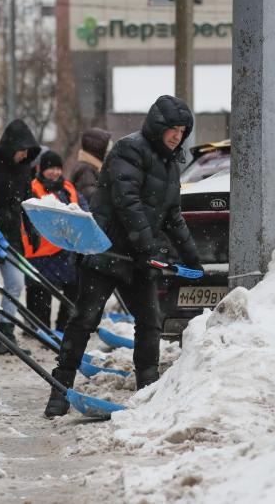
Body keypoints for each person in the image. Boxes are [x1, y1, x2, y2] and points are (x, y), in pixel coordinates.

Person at [43, 95, 202, 418]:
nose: (177, 136)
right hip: (107, 252)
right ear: (159, 126)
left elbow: (172, 216)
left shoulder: (172, 164)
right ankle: (59, 390)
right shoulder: (129, 150)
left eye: (182, 130)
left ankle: (148, 388)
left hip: (139, 259)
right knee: (84, 320)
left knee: (149, 322)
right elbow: (128, 203)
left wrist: (191, 257)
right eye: (172, 129)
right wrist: (147, 247)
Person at [0, 119, 41, 355]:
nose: (24, 155)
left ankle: (5, 333)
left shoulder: (25, 168)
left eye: (28, 151)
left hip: (13, 235)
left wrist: (31, 228)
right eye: (21, 150)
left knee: (15, 284)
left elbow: (27, 201)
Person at [23, 151, 88, 332]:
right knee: (41, 292)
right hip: (41, 252)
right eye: (51, 168)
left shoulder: (68, 187)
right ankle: (41, 329)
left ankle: (64, 327)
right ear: (42, 169)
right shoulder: (33, 188)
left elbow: (82, 209)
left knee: (73, 289)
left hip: (67, 250)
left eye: (58, 168)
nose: (55, 172)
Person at [70, 127, 111, 202]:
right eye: (107, 147)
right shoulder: (86, 169)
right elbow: (91, 196)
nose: (109, 151)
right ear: (99, 148)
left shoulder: (92, 167)